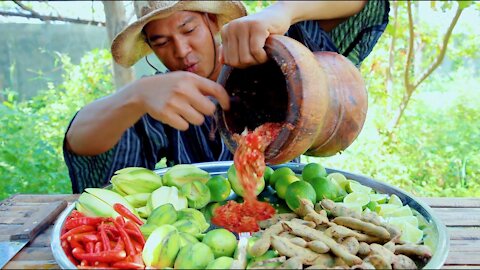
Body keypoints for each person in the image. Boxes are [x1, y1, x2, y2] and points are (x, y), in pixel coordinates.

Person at [64, 1, 390, 193]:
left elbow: (367, 5)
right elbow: (80, 142)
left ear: (212, 21)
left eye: (189, 29)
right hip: (204, 230)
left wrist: (284, 11)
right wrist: (134, 96)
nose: (180, 51)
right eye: (161, 42)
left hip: (290, 207)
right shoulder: (164, 97)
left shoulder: (274, 52)